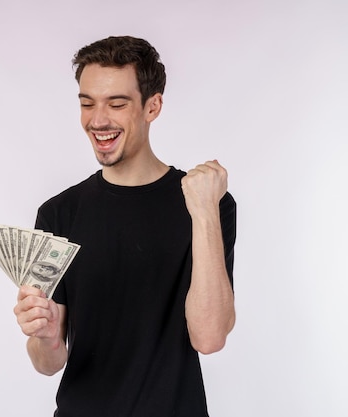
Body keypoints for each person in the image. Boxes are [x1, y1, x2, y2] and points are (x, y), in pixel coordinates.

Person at [13, 35, 236, 417]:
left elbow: (210, 336)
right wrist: (46, 336)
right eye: (87, 103)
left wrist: (202, 212)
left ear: (153, 106)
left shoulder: (208, 204)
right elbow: (47, 362)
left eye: (116, 103)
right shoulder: (58, 213)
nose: (98, 120)